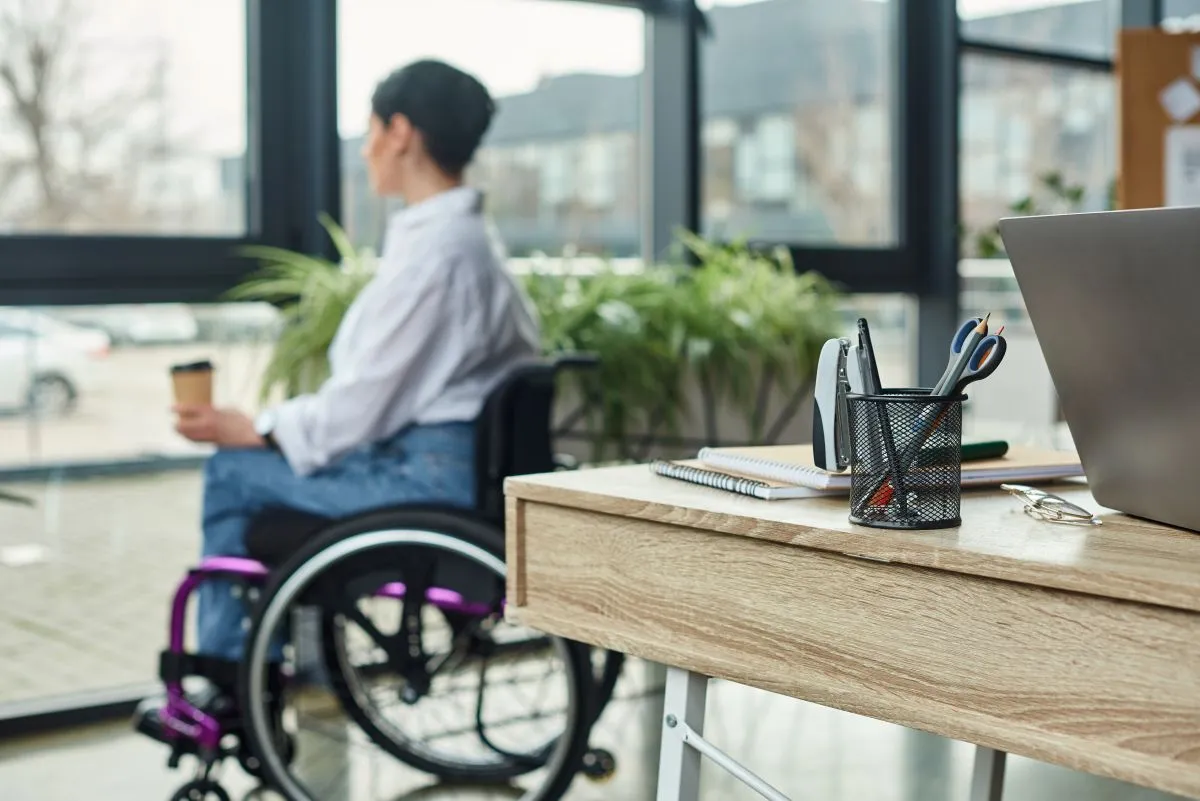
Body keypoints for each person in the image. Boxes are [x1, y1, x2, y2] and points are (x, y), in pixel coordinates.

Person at [173, 59, 541, 664]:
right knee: (248, 464)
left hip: (426, 477)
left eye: (371, 131)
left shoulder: (439, 256)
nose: (367, 149)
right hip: (448, 464)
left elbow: (366, 402)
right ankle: (253, 650)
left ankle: (226, 666)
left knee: (232, 470)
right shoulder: (467, 244)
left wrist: (257, 430)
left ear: (400, 132)